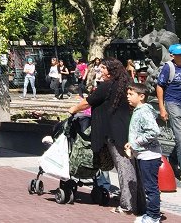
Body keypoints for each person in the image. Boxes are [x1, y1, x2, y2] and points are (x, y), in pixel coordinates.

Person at [68, 58, 138, 215]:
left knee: (123, 168)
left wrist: (72, 109)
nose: (100, 72)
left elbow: (88, 102)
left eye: (103, 69)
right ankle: (135, 199)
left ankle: (128, 204)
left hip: (114, 133)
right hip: (126, 130)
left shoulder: (107, 86)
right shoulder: (126, 84)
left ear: (111, 71)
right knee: (129, 167)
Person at [125, 82, 162, 223]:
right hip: (144, 154)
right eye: (127, 94)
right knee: (149, 187)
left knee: (151, 187)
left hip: (149, 155)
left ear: (141, 96)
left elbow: (154, 131)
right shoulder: (139, 110)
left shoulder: (144, 111)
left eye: (131, 94)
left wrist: (135, 142)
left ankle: (153, 216)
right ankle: (150, 214)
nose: (128, 97)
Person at [156, 43, 181, 179]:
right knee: (180, 136)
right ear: (172, 55)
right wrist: (162, 107)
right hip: (173, 103)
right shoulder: (168, 68)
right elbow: (160, 87)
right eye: (179, 55)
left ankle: (173, 159)